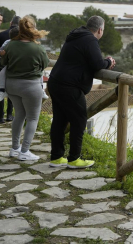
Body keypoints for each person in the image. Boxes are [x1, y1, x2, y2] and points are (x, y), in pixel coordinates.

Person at [48, 15, 116, 169]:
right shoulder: (90, 40)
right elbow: (97, 64)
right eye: (103, 30)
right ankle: (74, 159)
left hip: (56, 82)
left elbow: (84, 59)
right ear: (99, 30)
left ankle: (57, 157)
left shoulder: (76, 36)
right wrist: (109, 62)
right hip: (69, 86)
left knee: (60, 120)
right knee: (79, 120)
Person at [1, 16, 49, 161]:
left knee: (19, 115)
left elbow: (4, 61)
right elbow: (45, 64)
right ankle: (25, 151)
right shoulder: (38, 48)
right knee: (33, 118)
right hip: (31, 86)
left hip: (12, 85)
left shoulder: (10, 45)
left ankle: (14, 148)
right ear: (33, 28)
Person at [0, 27, 49, 106]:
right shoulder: (8, 43)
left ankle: (41, 89)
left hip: (18, 70)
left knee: (40, 72)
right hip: (11, 65)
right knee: (2, 72)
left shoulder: (22, 43)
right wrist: (0, 54)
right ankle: (2, 90)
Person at [0, 16, 21, 124]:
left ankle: (0, 117)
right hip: (14, 67)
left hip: (0, 66)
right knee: (12, 91)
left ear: (10, 23)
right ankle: (9, 114)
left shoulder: (1, 35)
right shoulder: (21, 37)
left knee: (0, 90)